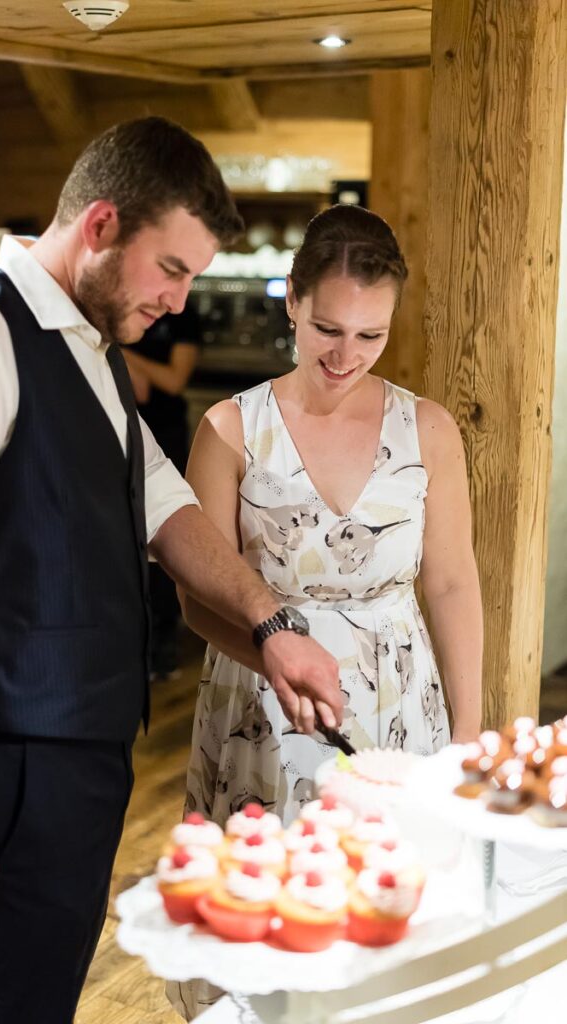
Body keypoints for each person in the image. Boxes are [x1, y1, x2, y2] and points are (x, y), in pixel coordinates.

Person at [0, 117, 344, 1024]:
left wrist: (272, 628)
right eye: (173, 269)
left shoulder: (90, 346)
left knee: (36, 997)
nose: (181, 301)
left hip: (78, 758)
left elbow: (166, 510)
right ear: (101, 225)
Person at [169, 203, 483, 1020]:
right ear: (292, 305)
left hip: (397, 709)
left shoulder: (429, 431)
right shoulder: (230, 428)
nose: (346, 355)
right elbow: (198, 600)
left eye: (370, 336)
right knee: (270, 944)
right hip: (264, 712)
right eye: (327, 329)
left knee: (385, 942)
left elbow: (450, 585)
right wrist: (273, 666)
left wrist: (469, 742)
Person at [122, 302, 202, 678]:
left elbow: (172, 380)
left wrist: (117, 352)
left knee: (167, 538)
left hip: (166, 437)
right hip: (124, 433)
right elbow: (140, 388)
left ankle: (163, 649)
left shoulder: (180, 314)